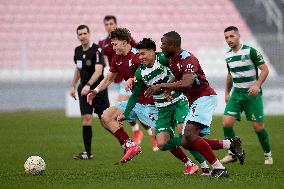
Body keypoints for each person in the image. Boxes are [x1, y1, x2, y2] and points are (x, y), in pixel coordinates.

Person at [87, 28, 196, 171]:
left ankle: (190, 163)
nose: (113, 47)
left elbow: (149, 71)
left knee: (164, 140)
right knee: (106, 116)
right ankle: (130, 145)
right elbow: (109, 78)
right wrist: (95, 90)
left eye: (115, 44)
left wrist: (133, 78)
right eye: (112, 44)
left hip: (152, 104)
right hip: (135, 102)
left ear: (125, 42)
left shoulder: (138, 56)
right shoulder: (117, 59)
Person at [144, 31, 245, 177]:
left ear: (172, 45)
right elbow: (179, 77)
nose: (161, 47)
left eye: (163, 44)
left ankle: (219, 168)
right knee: (186, 141)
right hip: (195, 100)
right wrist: (169, 88)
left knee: (190, 134)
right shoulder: (173, 60)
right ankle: (230, 144)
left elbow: (186, 83)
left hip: (204, 97)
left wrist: (162, 86)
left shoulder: (187, 58)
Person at [117, 38, 199, 175]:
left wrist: (181, 81)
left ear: (152, 52)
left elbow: (181, 67)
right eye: (139, 54)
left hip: (178, 101)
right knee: (161, 143)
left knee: (182, 131)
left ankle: (205, 160)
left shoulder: (163, 59)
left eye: (143, 54)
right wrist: (126, 113)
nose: (140, 57)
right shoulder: (140, 72)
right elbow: (134, 95)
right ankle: (192, 159)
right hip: (162, 108)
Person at [98, 15, 155, 147]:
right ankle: (144, 135)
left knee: (119, 110)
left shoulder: (125, 40)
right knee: (129, 109)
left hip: (131, 80)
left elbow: (137, 55)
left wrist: (135, 77)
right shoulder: (102, 42)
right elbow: (102, 59)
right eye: (106, 24)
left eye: (111, 24)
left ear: (115, 24)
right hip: (118, 79)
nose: (109, 26)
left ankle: (135, 137)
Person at [220, 26, 272, 165]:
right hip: (237, 93)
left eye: (231, 36)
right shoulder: (227, 55)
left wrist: (257, 85)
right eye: (226, 37)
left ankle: (268, 155)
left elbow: (265, 69)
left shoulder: (250, 51)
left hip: (252, 94)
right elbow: (230, 75)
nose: (229, 40)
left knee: (258, 127)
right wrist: (227, 92)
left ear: (238, 36)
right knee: (226, 122)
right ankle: (232, 153)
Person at [70, 25, 110, 160]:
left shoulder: (97, 50)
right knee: (86, 119)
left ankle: (125, 144)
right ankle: (88, 153)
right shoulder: (77, 51)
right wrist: (73, 86)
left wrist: (88, 85)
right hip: (83, 90)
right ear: (77, 36)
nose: (82, 36)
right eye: (79, 34)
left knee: (106, 120)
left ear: (89, 34)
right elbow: (78, 69)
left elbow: (99, 71)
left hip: (98, 90)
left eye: (84, 33)